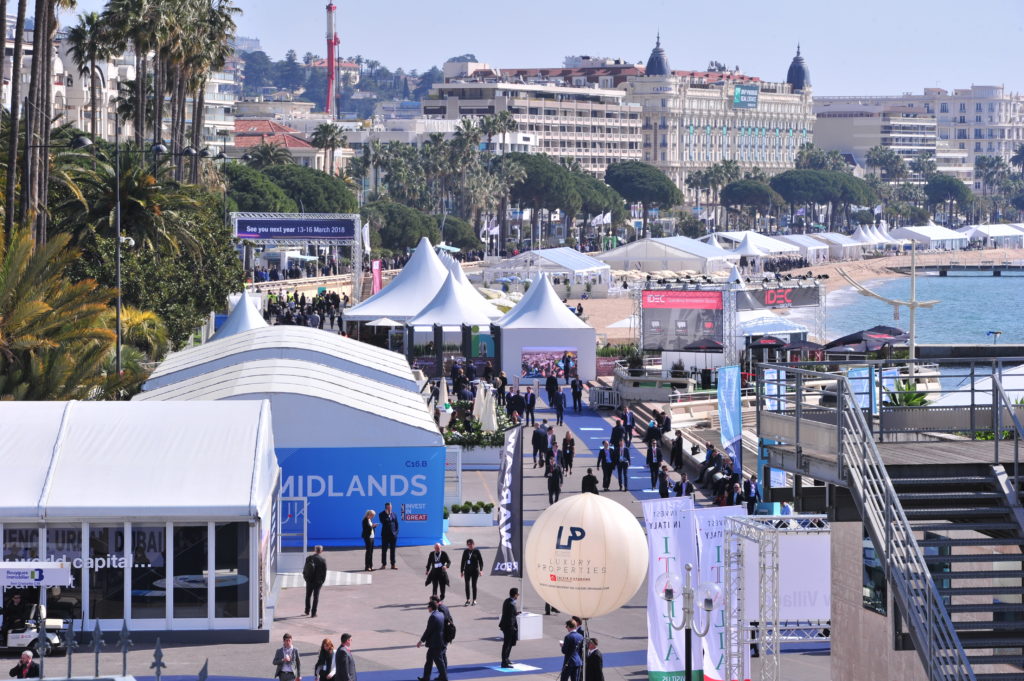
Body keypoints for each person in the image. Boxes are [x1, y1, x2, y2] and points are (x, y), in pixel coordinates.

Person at [417, 601, 448, 681]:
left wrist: (421, 641)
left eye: (428, 607)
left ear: (431, 608)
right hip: (438, 641)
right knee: (429, 659)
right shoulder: (441, 614)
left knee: (439, 661)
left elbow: (428, 630)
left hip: (435, 643)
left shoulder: (433, 617)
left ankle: (444, 677)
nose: (427, 608)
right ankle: (426, 677)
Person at [302, 545, 327, 617]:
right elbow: (324, 573)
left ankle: (307, 611)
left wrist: (306, 579)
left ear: (315, 550)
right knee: (316, 597)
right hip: (318, 582)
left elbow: (305, 570)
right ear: (321, 551)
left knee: (308, 596)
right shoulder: (322, 560)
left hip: (309, 581)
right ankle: (313, 613)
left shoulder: (309, 558)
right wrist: (322, 581)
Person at [499, 588, 520, 668]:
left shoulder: (507, 601)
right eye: (517, 594)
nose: (518, 596)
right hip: (509, 627)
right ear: (515, 595)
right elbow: (510, 617)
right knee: (507, 644)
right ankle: (504, 662)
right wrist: (513, 628)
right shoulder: (512, 604)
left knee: (509, 643)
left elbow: (510, 614)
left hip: (505, 625)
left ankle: (506, 659)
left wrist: (516, 613)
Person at [460, 539, 484, 606]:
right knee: (467, 585)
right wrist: (461, 571)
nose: (470, 545)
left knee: (474, 585)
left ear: (473, 544)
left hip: (475, 571)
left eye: (471, 544)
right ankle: (468, 600)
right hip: (467, 571)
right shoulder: (465, 551)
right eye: (468, 544)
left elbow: (481, 562)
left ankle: (474, 600)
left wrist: (481, 570)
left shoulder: (477, 551)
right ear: (467, 545)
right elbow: (463, 561)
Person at [379, 502, 399, 570]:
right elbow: (384, 522)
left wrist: (396, 533)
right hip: (385, 535)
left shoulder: (394, 514)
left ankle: (393, 565)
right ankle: (383, 564)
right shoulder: (381, 514)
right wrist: (387, 515)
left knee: (393, 550)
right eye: (388, 507)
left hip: (393, 536)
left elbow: (396, 524)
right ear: (386, 507)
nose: (390, 508)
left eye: (390, 507)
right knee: (384, 550)